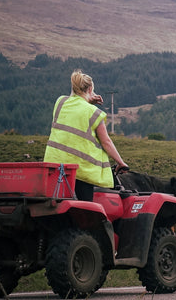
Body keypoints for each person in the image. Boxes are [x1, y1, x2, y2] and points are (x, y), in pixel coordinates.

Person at [44, 69, 130, 201]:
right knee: (85, 212)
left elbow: (75, 105)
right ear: (90, 89)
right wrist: (121, 163)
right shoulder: (94, 112)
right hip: (80, 171)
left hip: (54, 166)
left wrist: (88, 100)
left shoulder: (60, 102)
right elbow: (106, 142)